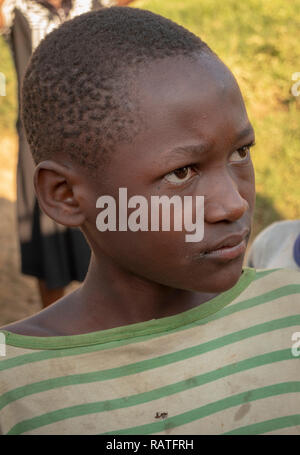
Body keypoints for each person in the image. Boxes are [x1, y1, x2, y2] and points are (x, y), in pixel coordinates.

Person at [0, 7, 299, 435]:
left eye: (241, 153)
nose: (234, 204)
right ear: (65, 196)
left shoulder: (290, 310)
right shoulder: (14, 391)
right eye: (182, 172)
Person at [0, 0, 118, 307]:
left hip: (94, 132)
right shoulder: (16, 7)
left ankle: (104, 315)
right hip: (37, 137)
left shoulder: (91, 3)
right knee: (44, 227)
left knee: (102, 221)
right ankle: (55, 322)